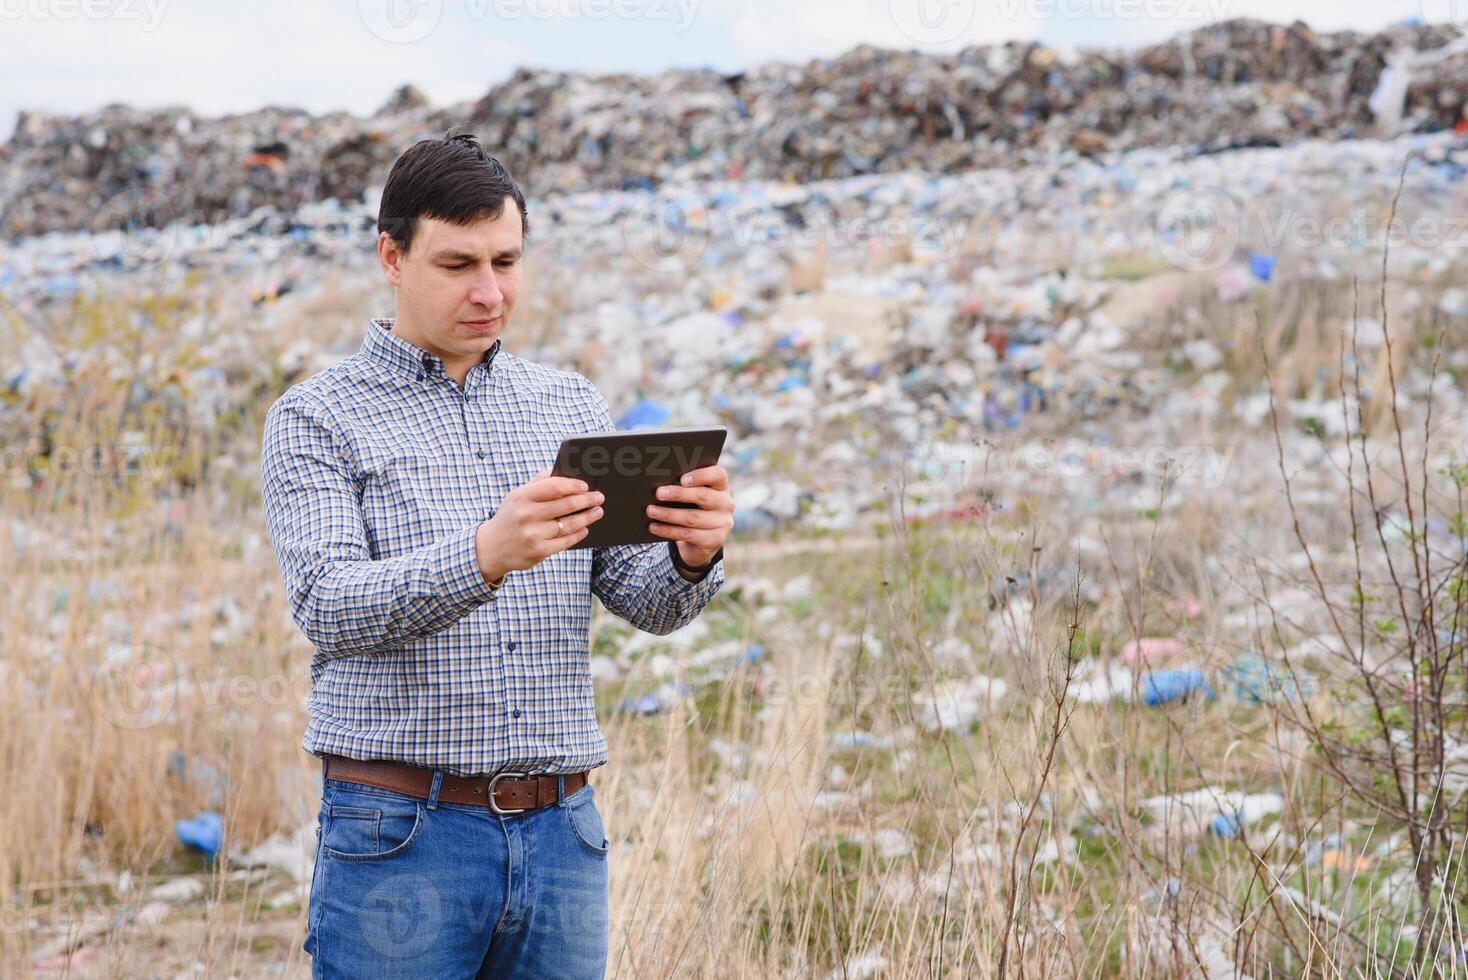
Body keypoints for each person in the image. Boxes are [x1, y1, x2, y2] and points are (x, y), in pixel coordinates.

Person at [258, 131, 734, 978]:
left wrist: (693, 557)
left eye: (506, 262)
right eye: (458, 264)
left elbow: (645, 600)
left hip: (563, 833)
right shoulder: (316, 417)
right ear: (392, 257)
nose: (489, 291)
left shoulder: (568, 402)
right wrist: (485, 554)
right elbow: (328, 604)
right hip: (401, 834)